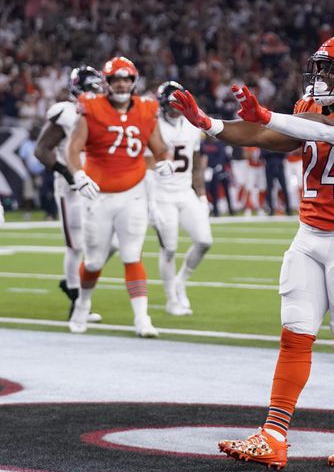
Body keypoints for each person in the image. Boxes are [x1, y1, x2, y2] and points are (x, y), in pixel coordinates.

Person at [171, 34, 334, 468]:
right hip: (309, 233)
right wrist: (210, 124)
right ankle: (274, 434)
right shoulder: (308, 108)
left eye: (333, 70)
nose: (323, 78)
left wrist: (272, 115)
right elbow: (269, 136)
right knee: (294, 333)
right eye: (322, 68)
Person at [65, 56, 175, 337]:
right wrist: (78, 175)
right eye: (117, 79)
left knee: (131, 254)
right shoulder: (91, 107)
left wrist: (164, 160)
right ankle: (83, 304)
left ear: (134, 81)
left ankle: (142, 318)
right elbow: (73, 149)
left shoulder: (147, 108)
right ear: (107, 82)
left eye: (127, 78)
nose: (122, 83)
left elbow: (160, 147)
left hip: (133, 193)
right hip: (98, 197)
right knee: (93, 261)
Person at [33, 66, 107, 322]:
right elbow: (42, 150)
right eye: (93, 86)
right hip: (72, 187)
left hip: (100, 183)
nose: (99, 91)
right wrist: (68, 174)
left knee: (111, 242)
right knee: (75, 245)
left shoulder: (105, 111)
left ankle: (73, 284)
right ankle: (77, 301)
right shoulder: (66, 111)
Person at [153, 80, 213, 316]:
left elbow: (197, 162)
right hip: (161, 194)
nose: (175, 108)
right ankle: (171, 299)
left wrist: (201, 194)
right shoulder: (153, 124)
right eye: (171, 104)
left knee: (204, 241)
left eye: (179, 104)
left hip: (184, 191)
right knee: (168, 249)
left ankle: (181, 281)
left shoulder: (192, 124)